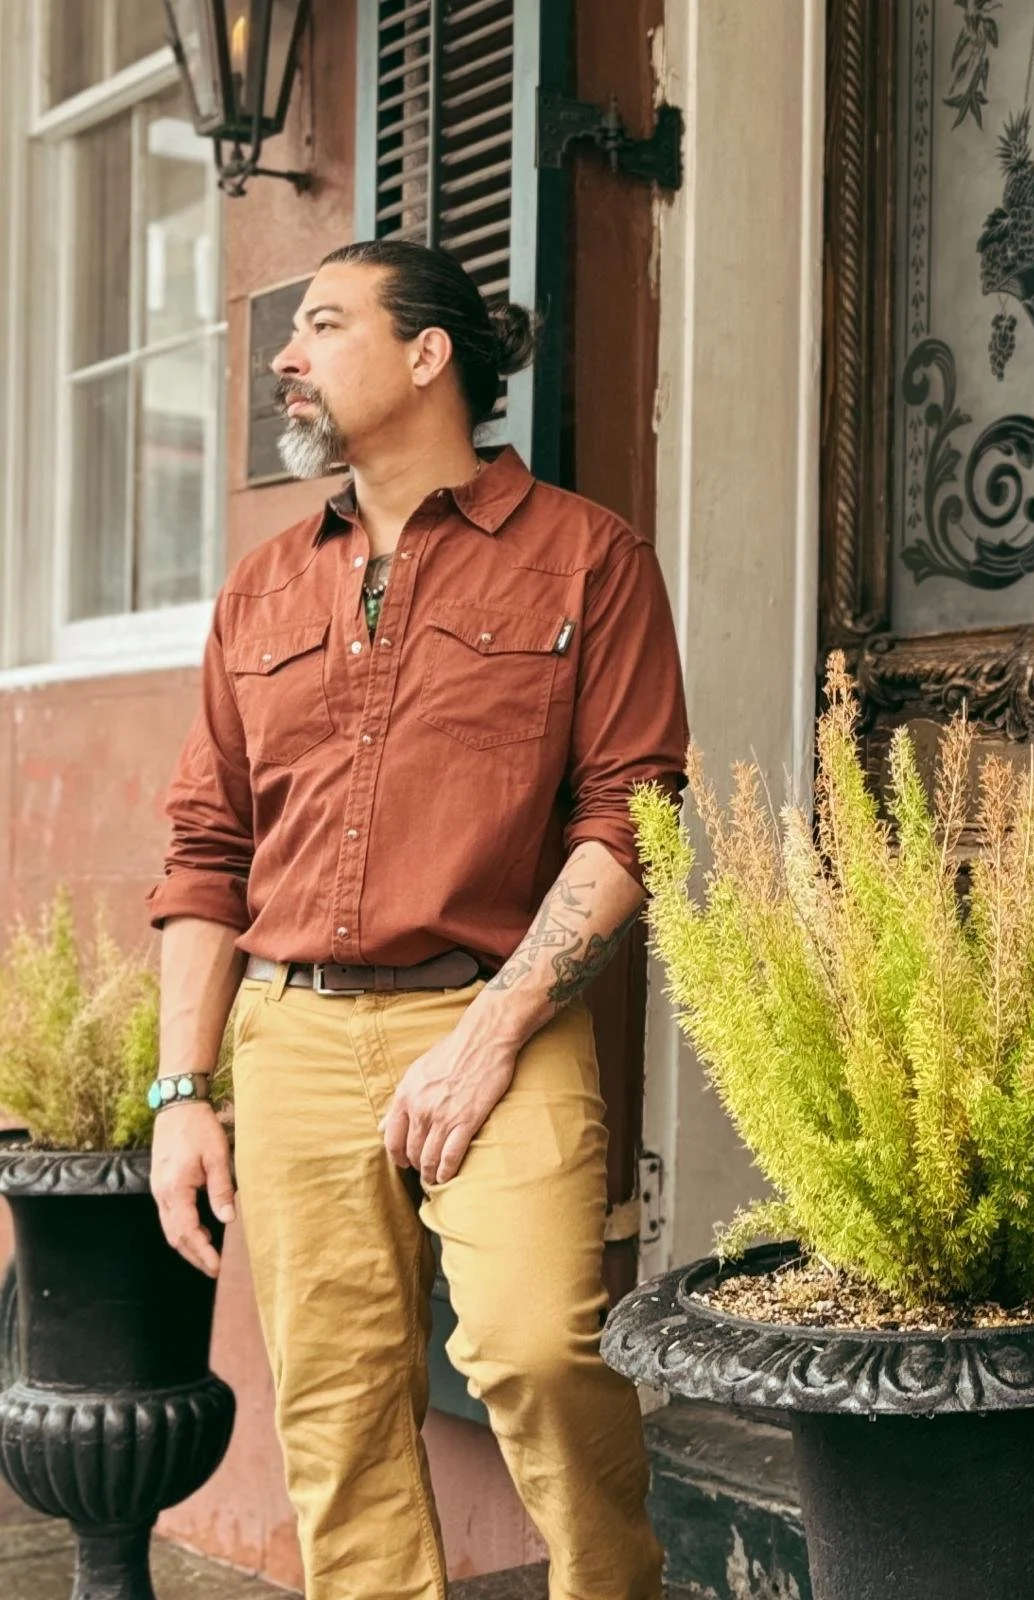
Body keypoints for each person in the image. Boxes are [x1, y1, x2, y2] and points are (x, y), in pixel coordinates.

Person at [145, 238, 688, 1600]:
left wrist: (490, 1035)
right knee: (335, 1418)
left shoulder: (587, 559)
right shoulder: (261, 592)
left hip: (498, 1011)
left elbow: (630, 818)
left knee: (538, 1348)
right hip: (293, 1037)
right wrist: (179, 1090)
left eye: (323, 324)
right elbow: (207, 848)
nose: (287, 353)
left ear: (428, 353)